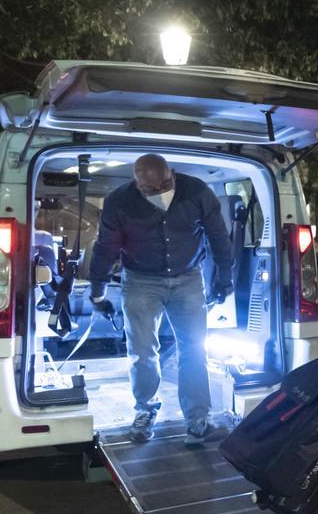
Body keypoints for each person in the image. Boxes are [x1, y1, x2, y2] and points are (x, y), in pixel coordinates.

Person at [88, 154, 234, 447]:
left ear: (173, 173)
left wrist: (225, 277)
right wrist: (98, 291)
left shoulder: (196, 191)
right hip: (141, 280)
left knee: (194, 350)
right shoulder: (119, 202)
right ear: (137, 182)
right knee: (143, 352)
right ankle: (145, 412)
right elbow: (106, 247)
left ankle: (198, 420)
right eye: (150, 190)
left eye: (165, 184)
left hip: (188, 278)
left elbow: (218, 234)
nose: (160, 192)